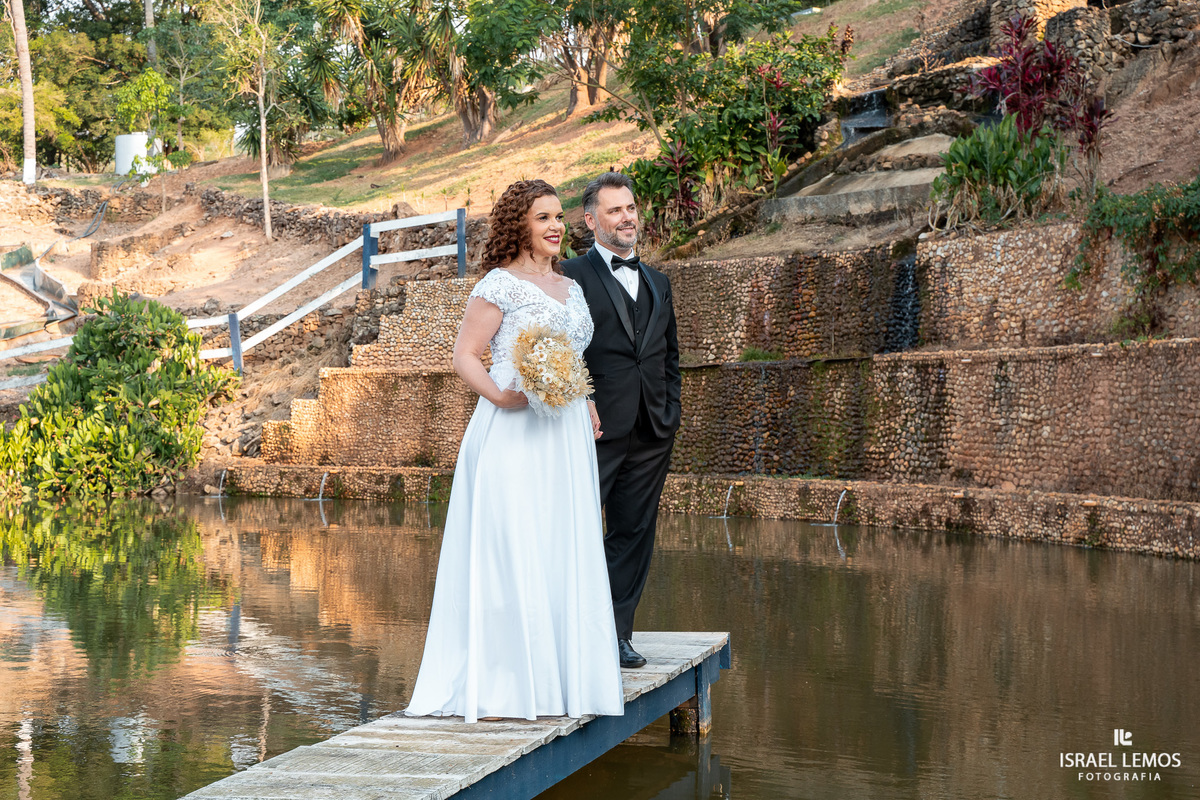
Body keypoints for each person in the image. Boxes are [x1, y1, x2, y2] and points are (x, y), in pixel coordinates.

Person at [405, 180, 624, 723]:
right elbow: (466, 355)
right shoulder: (499, 286)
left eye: (558, 218)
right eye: (542, 218)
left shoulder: (570, 288)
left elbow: (571, 357)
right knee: (513, 547)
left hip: (566, 435)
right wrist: (502, 396)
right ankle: (508, 684)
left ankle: (564, 682)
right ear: (519, 226)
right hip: (514, 434)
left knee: (561, 545)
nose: (556, 228)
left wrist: (585, 398)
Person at [561, 172, 682, 670]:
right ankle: (569, 637)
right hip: (591, 429)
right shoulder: (568, 276)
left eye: (631, 207)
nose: (627, 217)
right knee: (576, 532)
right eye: (615, 210)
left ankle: (617, 636)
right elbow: (557, 349)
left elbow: (669, 356)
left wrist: (671, 412)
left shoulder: (660, 282)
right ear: (591, 220)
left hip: (652, 429)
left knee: (633, 533)